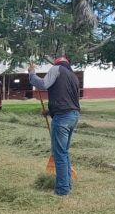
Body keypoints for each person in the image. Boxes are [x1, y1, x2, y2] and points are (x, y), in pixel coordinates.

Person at [28, 57, 80, 196]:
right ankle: (67, 184)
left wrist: (32, 73)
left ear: (56, 63)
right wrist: (50, 112)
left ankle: (62, 191)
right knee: (64, 152)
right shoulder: (73, 76)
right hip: (73, 116)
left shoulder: (56, 69)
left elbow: (43, 84)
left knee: (59, 154)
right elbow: (67, 99)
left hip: (62, 118)